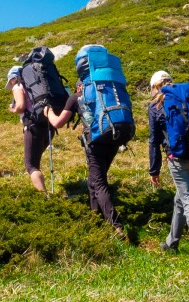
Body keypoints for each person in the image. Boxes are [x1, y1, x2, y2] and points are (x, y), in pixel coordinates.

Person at [147, 70, 189, 260]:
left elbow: (154, 140)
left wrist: (154, 169)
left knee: (188, 202)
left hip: (177, 158)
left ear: (154, 87)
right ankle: (172, 242)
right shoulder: (187, 95)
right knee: (181, 198)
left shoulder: (155, 106)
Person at [45, 82, 123, 231]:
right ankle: (96, 219)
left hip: (95, 142)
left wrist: (48, 112)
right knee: (93, 180)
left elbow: (58, 123)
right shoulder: (105, 95)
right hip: (113, 138)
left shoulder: (77, 97)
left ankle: (116, 226)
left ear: (79, 87)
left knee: (99, 183)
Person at [7, 65, 52, 193]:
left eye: (10, 80)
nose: (11, 84)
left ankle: (43, 196)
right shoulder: (37, 83)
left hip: (33, 126)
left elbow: (20, 106)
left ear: (14, 78)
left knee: (30, 164)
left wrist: (13, 109)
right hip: (49, 124)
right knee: (35, 159)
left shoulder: (17, 86)